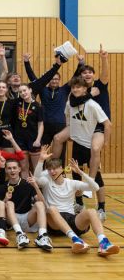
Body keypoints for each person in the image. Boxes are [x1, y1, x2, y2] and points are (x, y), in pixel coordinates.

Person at [35, 146, 118, 256]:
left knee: (92, 211)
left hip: (71, 219)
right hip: (54, 223)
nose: (52, 171)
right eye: (49, 169)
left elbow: (95, 187)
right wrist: (41, 160)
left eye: (54, 168)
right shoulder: (46, 182)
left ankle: (103, 243)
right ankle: (76, 240)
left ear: (61, 168)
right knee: (52, 209)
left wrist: (80, 172)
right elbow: (37, 179)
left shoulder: (71, 183)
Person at [52, 76, 111, 220]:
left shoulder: (92, 105)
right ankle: (79, 203)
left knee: (96, 177)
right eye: (73, 87)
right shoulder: (70, 103)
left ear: (85, 89)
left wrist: (105, 142)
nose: (75, 89)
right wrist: (71, 132)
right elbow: (68, 119)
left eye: (78, 87)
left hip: (89, 145)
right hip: (78, 143)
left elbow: (108, 124)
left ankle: (101, 208)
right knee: (76, 175)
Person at [0, 159, 52, 251]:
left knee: (39, 204)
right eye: (9, 168)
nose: (12, 170)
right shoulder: (2, 187)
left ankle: (42, 235)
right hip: (12, 219)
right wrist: (5, 199)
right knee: (9, 203)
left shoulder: (28, 184)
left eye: (14, 168)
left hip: (28, 218)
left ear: (19, 169)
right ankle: (19, 234)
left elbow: (43, 204)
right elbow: (0, 209)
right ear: (6, 170)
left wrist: (35, 186)